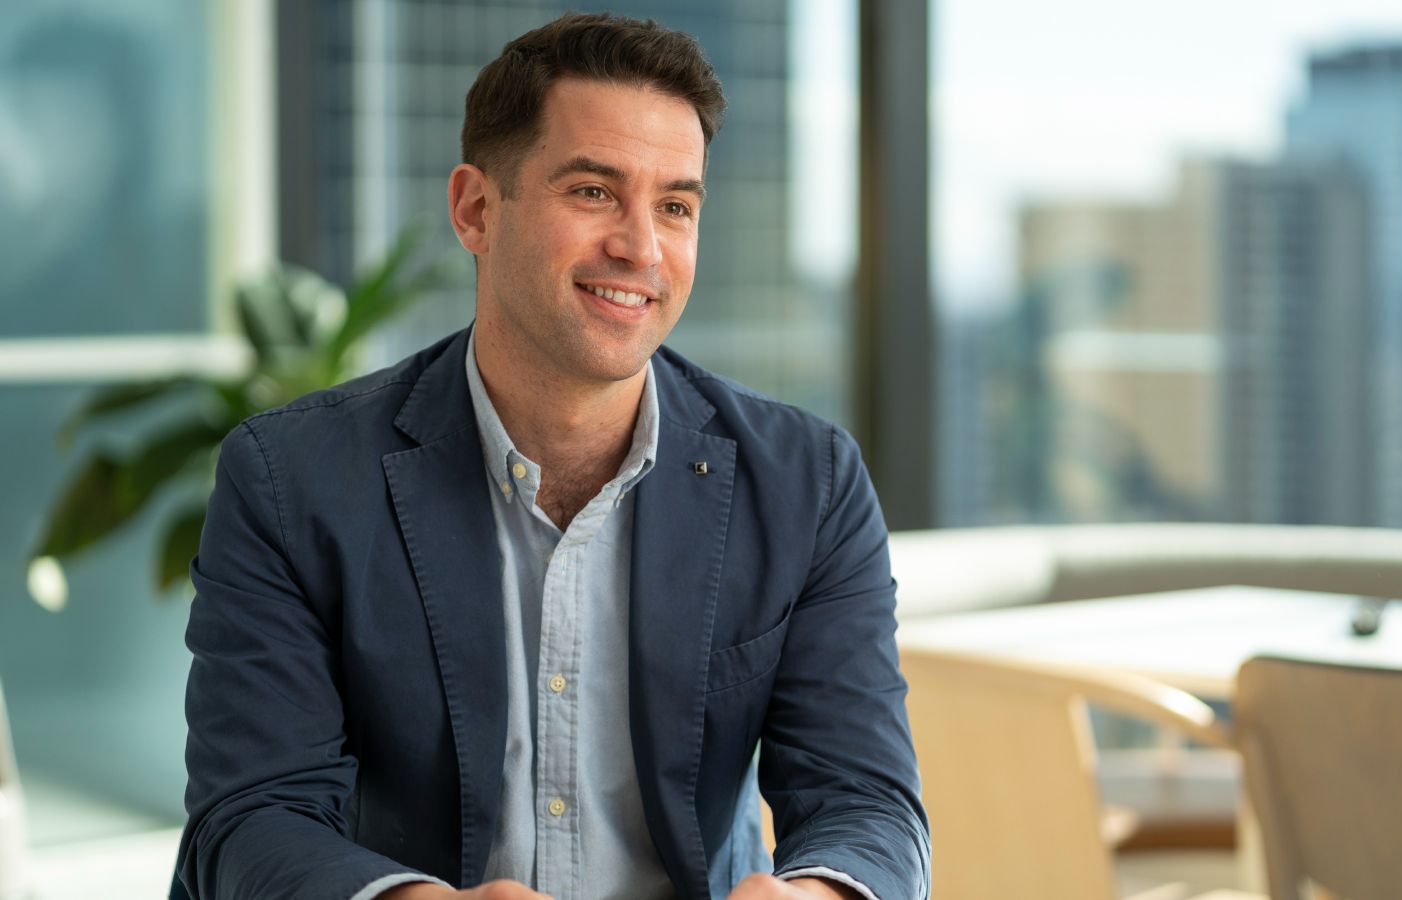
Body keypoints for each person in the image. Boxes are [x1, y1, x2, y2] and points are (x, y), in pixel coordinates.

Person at [172, 12, 929, 900]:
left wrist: (821, 895)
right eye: (594, 192)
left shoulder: (809, 483)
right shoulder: (289, 479)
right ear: (476, 209)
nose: (641, 248)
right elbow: (250, 820)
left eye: (675, 206)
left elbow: (868, 799)